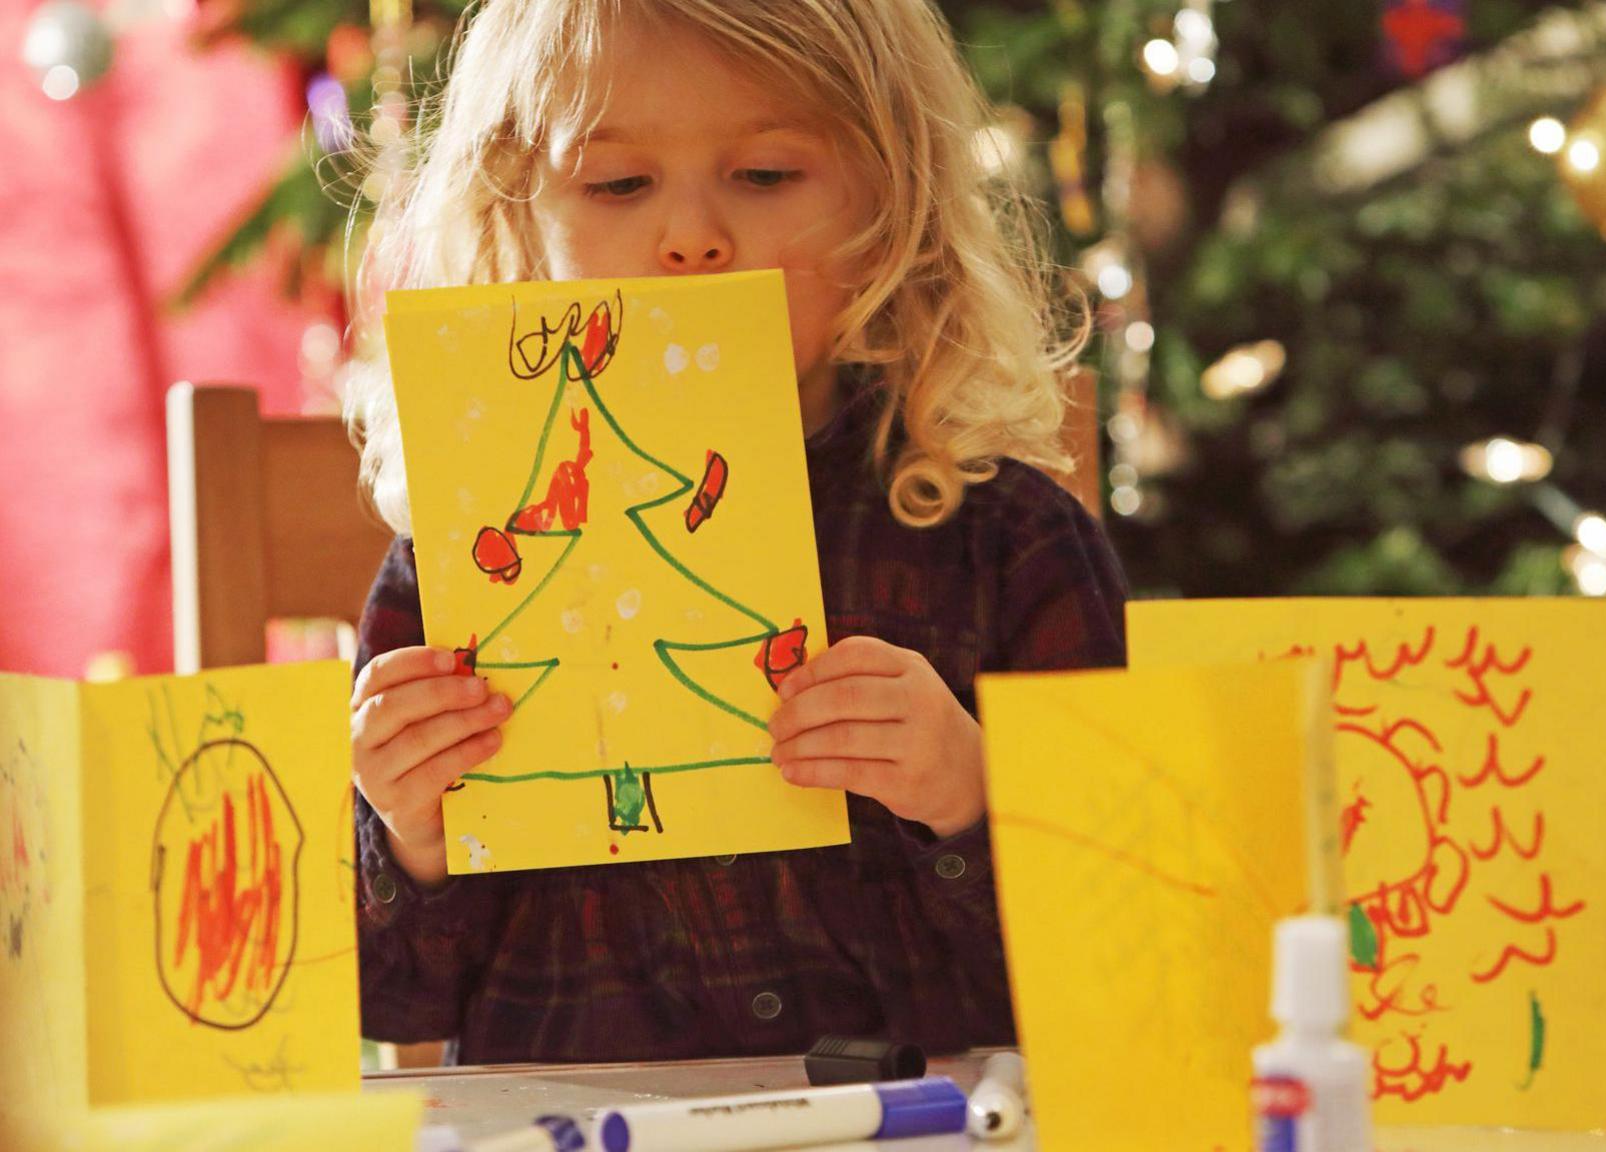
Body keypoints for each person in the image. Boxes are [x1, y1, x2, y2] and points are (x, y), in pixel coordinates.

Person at [342, 0, 1126, 1063]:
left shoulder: (1005, 540)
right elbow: (389, 1009)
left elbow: (1120, 963)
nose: (691, 236)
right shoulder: (463, 557)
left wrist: (970, 798)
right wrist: (415, 837)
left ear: (890, 198)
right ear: (517, 212)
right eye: (617, 184)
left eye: (765, 175)